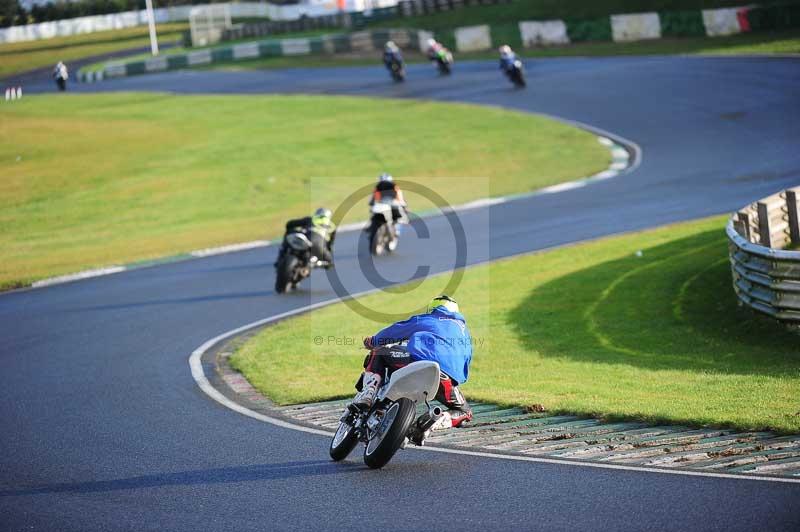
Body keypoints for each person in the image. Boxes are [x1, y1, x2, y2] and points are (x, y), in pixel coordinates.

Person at [352, 295, 474, 436]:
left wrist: (373, 341)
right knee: (465, 412)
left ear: (433, 309)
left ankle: (368, 393)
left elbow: (397, 330)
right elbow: (465, 365)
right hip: (445, 379)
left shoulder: (429, 319)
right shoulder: (466, 335)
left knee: (378, 352)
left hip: (419, 362)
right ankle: (429, 424)